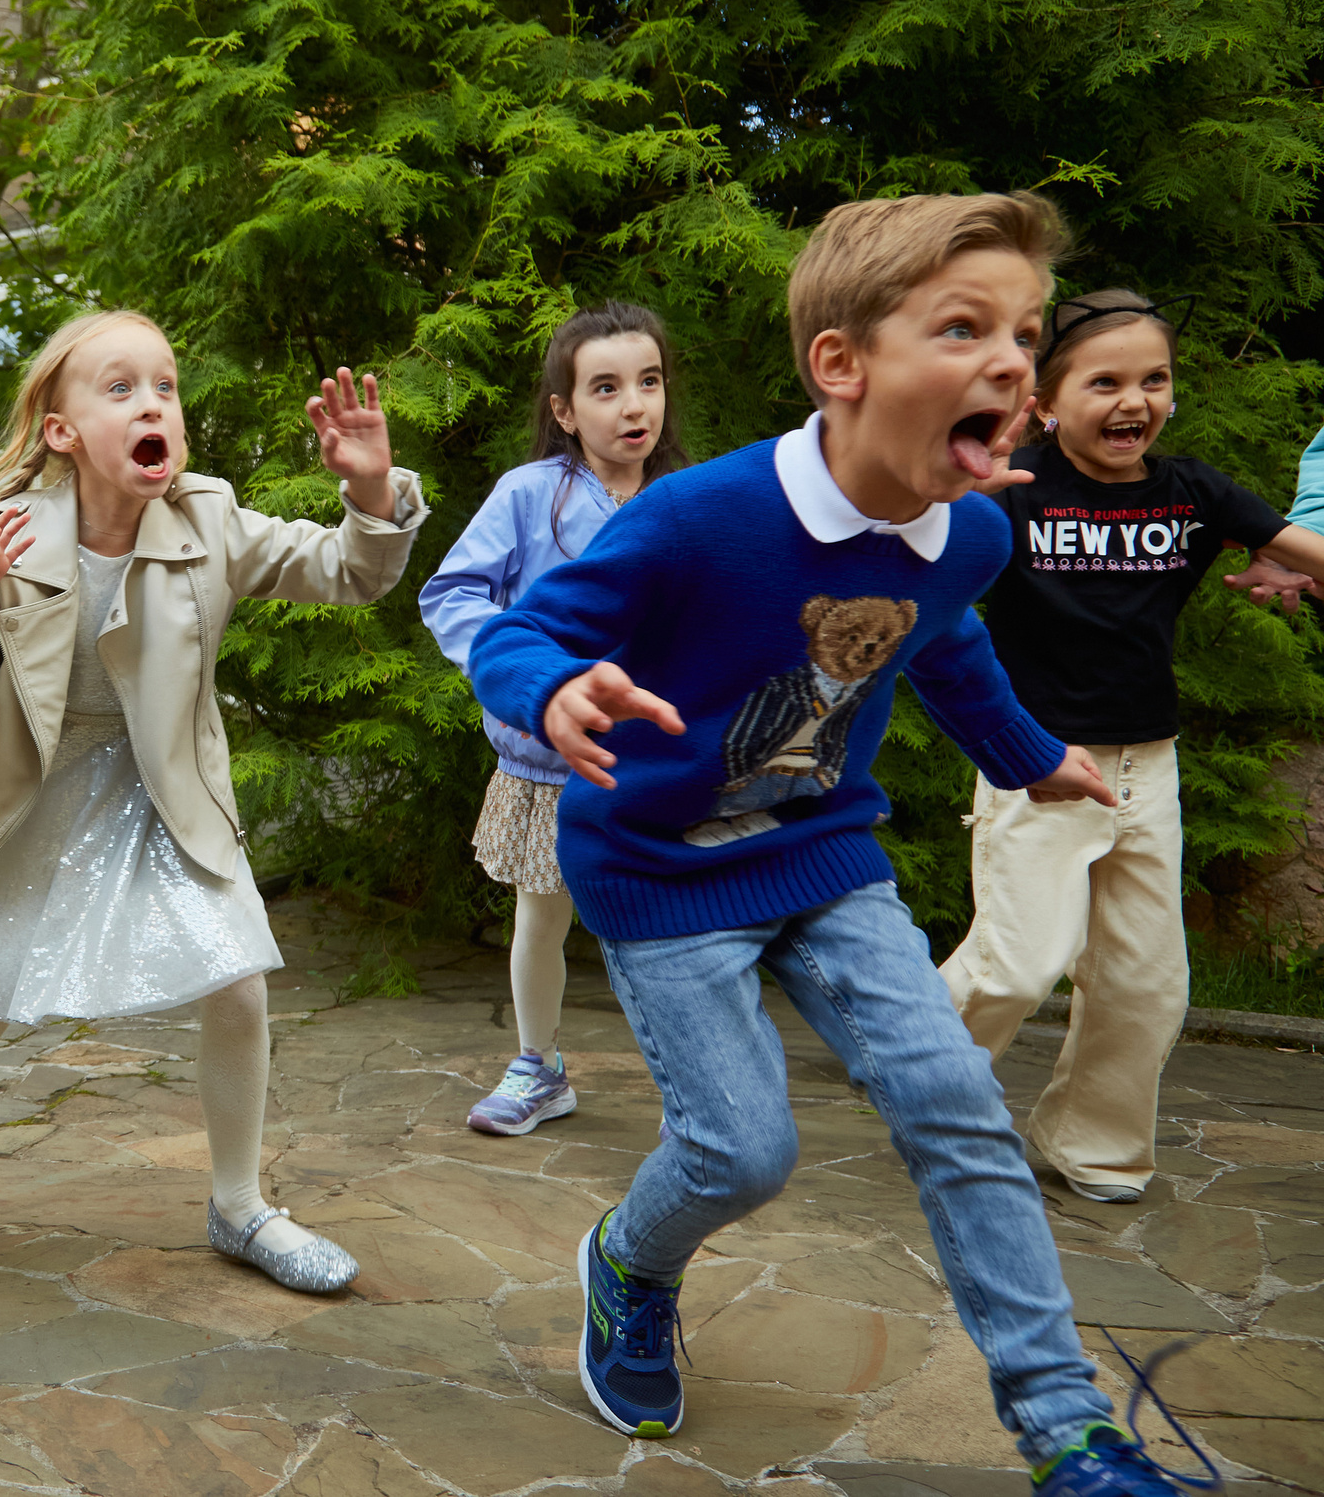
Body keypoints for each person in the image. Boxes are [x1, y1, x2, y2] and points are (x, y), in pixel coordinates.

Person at [475, 192, 1193, 1496]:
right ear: (843, 365)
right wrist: (552, 686)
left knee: (958, 1105)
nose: (1013, 361)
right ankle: (631, 1258)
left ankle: (1066, 1423)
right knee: (743, 1148)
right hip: (663, 869)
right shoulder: (701, 515)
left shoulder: (970, 530)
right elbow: (525, 627)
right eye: (964, 325)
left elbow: (951, 645)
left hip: (826, 858)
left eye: (1025, 333)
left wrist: (1033, 758)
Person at [0, 309, 426, 1296]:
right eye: (119, 388)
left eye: (163, 385)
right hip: (22, 795)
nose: (152, 401)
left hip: (162, 791)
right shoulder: (9, 532)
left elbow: (350, 573)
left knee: (237, 982)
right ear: (63, 431)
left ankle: (240, 1207)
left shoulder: (209, 516)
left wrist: (369, 490)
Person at [941, 288, 1324, 1202]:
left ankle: (1096, 1149)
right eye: (1104, 381)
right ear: (1046, 399)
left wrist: (1290, 563)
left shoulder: (1194, 492)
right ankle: (912, 1072)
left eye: (1153, 380)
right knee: (1020, 961)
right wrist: (952, 496)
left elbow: (1301, 551)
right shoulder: (1013, 488)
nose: (1133, 400)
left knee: (1146, 983)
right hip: (1036, 762)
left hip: (1148, 766)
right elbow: (911, 562)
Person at [420, 302, 689, 1134]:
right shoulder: (529, 495)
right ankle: (539, 1066)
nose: (633, 405)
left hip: (657, 766)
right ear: (565, 411)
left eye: (648, 382)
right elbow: (453, 593)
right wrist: (525, 678)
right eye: (605, 388)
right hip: (547, 758)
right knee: (541, 913)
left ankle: (699, 1083)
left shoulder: (686, 501)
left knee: (669, 925)